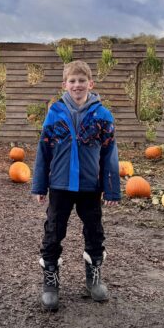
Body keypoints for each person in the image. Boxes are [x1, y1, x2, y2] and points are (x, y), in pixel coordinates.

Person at [32, 60, 120, 311]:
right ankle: (50, 281)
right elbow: (43, 151)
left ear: (91, 84)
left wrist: (111, 188)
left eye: (82, 81)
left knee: (94, 231)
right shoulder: (55, 113)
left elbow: (109, 154)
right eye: (72, 81)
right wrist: (39, 186)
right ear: (64, 85)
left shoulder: (103, 116)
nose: (77, 85)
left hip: (90, 187)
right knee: (54, 231)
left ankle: (94, 278)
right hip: (59, 185)